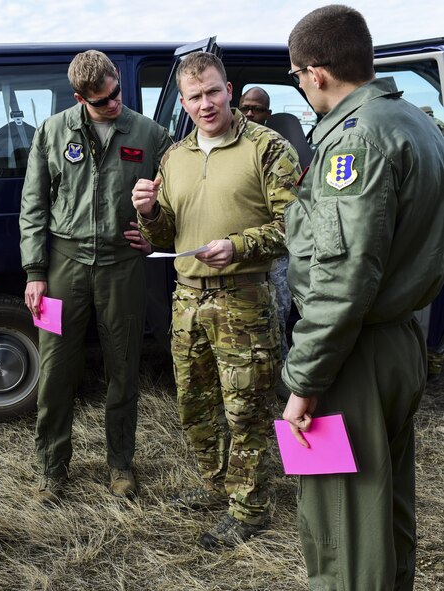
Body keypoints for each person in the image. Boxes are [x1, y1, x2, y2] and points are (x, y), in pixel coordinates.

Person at [281, 6, 444, 589]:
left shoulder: (356, 143)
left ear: (317, 73)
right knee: (384, 505)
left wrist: (304, 382)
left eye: (299, 76)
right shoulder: (416, 121)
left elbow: (342, 279)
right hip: (400, 338)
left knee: (343, 523)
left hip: (354, 354)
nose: (301, 87)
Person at [132, 51, 301, 549]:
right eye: (194, 97)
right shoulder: (174, 157)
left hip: (245, 300)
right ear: (183, 103)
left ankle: (250, 508)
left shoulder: (268, 148)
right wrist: (146, 212)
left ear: (228, 89)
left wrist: (241, 245)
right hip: (188, 301)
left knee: (245, 410)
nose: (205, 104)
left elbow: (295, 225)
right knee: (195, 404)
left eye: (212, 92)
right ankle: (214, 485)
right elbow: (166, 231)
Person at [19, 50, 173, 503]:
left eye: (116, 94)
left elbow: (175, 198)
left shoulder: (149, 133)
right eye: (102, 100)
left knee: (123, 367)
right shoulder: (52, 132)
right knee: (54, 370)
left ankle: (121, 464)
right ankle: (51, 469)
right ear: (80, 97)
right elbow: (33, 206)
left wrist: (154, 232)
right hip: (63, 265)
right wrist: (34, 271)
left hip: (122, 266)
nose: (113, 105)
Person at [239, 87, 292, 357]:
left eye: (256, 109)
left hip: (270, 245)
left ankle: (279, 370)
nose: (249, 113)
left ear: (267, 114)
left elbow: (287, 213)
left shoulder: (276, 148)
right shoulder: (227, 143)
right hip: (235, 246)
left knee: (277, 311)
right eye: (245, 107)